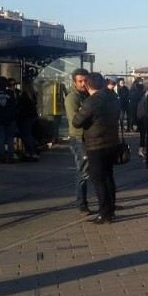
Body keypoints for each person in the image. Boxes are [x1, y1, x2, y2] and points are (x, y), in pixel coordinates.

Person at [72, 73, 121, 224]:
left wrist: (81, 111)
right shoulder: (113, 98)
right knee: (108, 177)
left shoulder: (91, 101)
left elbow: (77, 122)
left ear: (87, 85)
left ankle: (104, 213)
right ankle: (110, 209)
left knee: (98, 179)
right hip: (112, 142)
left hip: (96, 145)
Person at [64, 68, 92, 213]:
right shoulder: (72, 98)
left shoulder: (90, 95)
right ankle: (81, 203)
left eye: (85, 80)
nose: (83, 84)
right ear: (74, 83)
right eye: (80, 81)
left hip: (91, 137)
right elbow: (76, 120)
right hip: (78, 137)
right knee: (83, 170)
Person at [16, 80, 40, 161]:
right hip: (32, 117)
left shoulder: (24, 96)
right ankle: (33, 152)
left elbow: (21, 108)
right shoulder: (33, 95)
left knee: (26, 136)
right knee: (29, 136)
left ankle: (31, 153)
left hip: (25, 118)